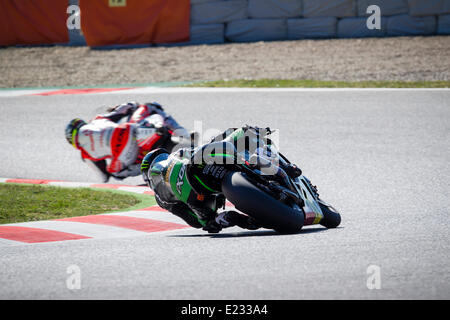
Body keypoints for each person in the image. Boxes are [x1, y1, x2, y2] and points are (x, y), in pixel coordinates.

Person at [140, 125, 302, 233]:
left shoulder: (161, 197)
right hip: (199, 168)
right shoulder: (174, 156)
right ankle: (283, 168)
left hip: (199, 196)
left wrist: (210, 221)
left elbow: (192, 221)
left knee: (209, 223)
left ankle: (237, 219)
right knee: (243, 134)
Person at [65, 101, 190, 182]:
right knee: (150, 106)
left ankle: (149, 176)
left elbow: (104, 177)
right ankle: (182, 133)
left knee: (116, 173)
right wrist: (130, 105)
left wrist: (106, 166)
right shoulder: (97, 119)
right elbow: (125, 108)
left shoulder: (85, 154)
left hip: (124, 155)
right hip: (130, 130)